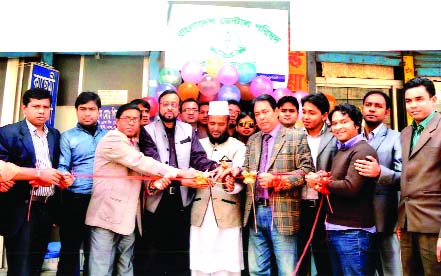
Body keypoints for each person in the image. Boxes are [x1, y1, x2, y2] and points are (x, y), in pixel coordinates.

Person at [85, 103, 194, 276]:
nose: (131, 123)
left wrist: (153, 186)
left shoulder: (135, 144)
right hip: (107, 215)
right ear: (117, 121)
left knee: (126, 266)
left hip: (129, 218)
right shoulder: (112, 139)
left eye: (135, 119)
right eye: (126, 118)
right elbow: (141, 163)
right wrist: (180, 173)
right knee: (101, 268)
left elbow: (140, 176)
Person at [138, 90, 230, 275]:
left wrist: (216, 167)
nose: (169, 108)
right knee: (153, 254)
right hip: (156, 200)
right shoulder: (147, 131)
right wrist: (184, 180)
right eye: (165, 104)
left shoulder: (188, 130)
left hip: (182, 200)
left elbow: (198, 158)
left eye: (173, 104)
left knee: (180, 252)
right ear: (159, 106)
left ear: (179, 108)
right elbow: (154, 165)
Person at [0, 88, 74, 276]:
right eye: (36, 106)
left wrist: (64, 178)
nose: (41, 111)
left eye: (46, 107)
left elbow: (57, 166)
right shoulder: (8, 133)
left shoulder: (55, 135)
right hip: (21, 209)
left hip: (46, 209)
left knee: (36, 264)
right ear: (24, 108)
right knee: (21, 267)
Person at [242, 94, 314, 276]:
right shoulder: (253, 140)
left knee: (287, 270)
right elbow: (246, 169)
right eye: (257, 114)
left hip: (282, 213)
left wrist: (277, 181)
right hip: (256, 212)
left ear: (276, 112)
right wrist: (239, 173)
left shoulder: (295, 137)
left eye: (265, 112)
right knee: (257, 270)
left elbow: (307, 171)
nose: (261, 117)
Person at [306, 103, 378, 276]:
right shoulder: (343, 148)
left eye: (344, 122)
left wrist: (320, 182)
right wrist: (327, 177)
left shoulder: (362, 150)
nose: (338, 127)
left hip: (353, 231)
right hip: (336, 227)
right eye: (334, 124)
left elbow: (351, 187)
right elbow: (342, 179)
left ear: (356, 124)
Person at [191, 101, 246, 276]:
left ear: (229, 123)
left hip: (227, 213)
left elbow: (241, 178)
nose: (216, 128)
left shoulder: (239, 147)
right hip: (200, 211)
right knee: (200, 264)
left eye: (221, 124)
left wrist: (232, 186)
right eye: (212, 123)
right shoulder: (198, 145)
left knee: (226, 266)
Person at [56, 92, 108, 276]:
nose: (87, 114)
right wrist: (64, 176)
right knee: (69, 249)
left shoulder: (109, 136)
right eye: (83, 109)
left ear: (99, 111)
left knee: (94, 250)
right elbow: (62, 165)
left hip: (102, 201)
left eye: (92, 109)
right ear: (76, 111)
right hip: (74, 200)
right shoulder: (67, 137)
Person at [354, 90, 402, 276]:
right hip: (356, 218)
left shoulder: (396, 138)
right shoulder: (353, 137)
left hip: (385, 218)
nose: (372, 109)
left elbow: (404, 177)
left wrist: (380, 172)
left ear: (387, 112)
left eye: (378, 106)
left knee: (390, 271)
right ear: (362, 108)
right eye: (369, 105)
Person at [398, 77, 441, 276]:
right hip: (408, 222)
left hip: (434, 224)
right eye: (408, 101)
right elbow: (409, 177)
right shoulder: (406, 133)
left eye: (419, 99)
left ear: (433, 100)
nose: (413, 105)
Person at [297, 93, 336, 276]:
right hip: (299, 204)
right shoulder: (295, 136)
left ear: (324, 115)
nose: (305, 116)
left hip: (324, 206)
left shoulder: (334, 137)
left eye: (311, 113)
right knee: (300, 254)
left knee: (324, 256)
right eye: (303, 112)